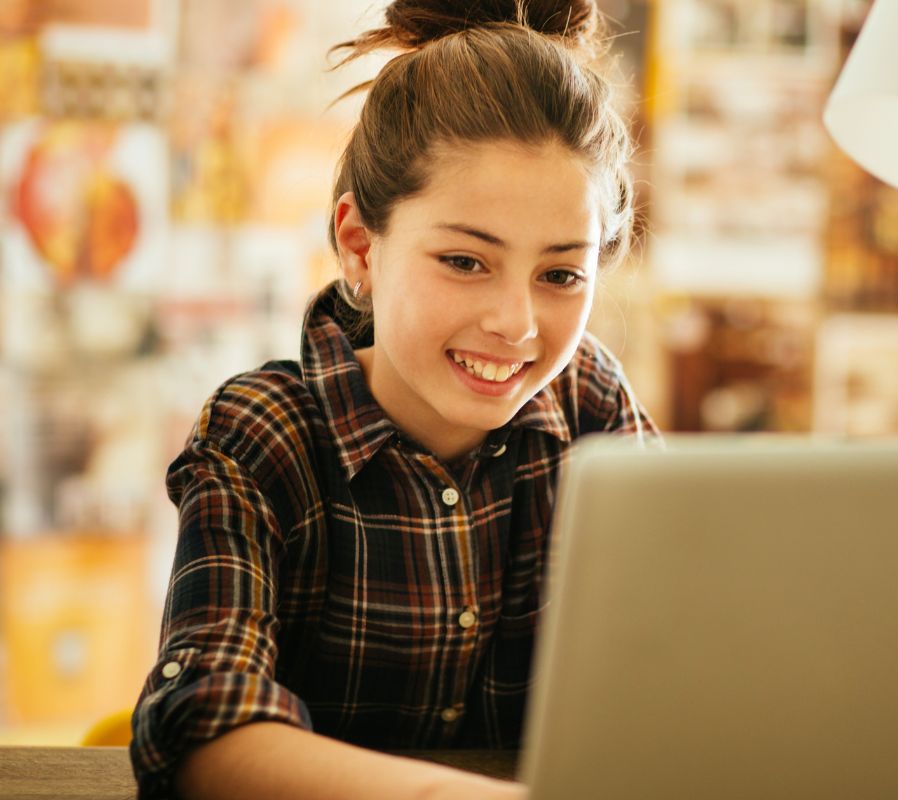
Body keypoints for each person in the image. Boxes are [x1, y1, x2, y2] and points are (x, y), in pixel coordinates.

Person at [129, 2, 656, 797]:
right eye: (464, 261)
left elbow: (687, 660)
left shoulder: (594, 405)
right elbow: (203, 737)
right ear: (358, 245)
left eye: (560, 275)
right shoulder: (262, 435)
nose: (515, 325)